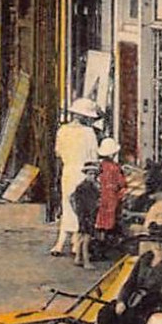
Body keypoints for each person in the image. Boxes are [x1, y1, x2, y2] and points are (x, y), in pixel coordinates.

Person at [50, 98, 102, 257]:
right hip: (84, 172)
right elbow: (94, 155)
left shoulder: (62, 131)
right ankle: (75, 244)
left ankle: (60, 243)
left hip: (68, 171)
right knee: (82, 208)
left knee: (67, 205)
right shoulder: (89, 133)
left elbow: (58, 152)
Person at [94, 137, 129, 243]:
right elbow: (122, 183)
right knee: (110, 220)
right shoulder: (115, 167)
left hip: (100, 195)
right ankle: (107, 242)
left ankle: (99, 240)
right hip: (111, 197)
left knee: (100, 221)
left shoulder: (99, 166)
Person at [70, 162, 102, 268]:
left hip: (84, 214)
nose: (93, 176)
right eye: (90, 174)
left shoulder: (85, 186)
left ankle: (78, 258)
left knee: (81, 236)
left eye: (94, 174)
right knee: (87, 238)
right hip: (87, 213)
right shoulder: (86, 187)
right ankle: (86, 261)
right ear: (87, 174)